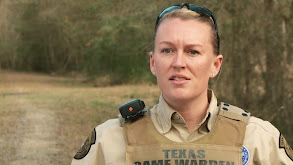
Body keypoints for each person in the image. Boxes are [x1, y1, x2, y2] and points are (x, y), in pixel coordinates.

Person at [71, 3, 293, 165]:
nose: (179, 63)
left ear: (215, 65)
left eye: (193, 51)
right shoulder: (108, 141)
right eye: (167, 50)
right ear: (153, 62)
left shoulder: (259, 141)